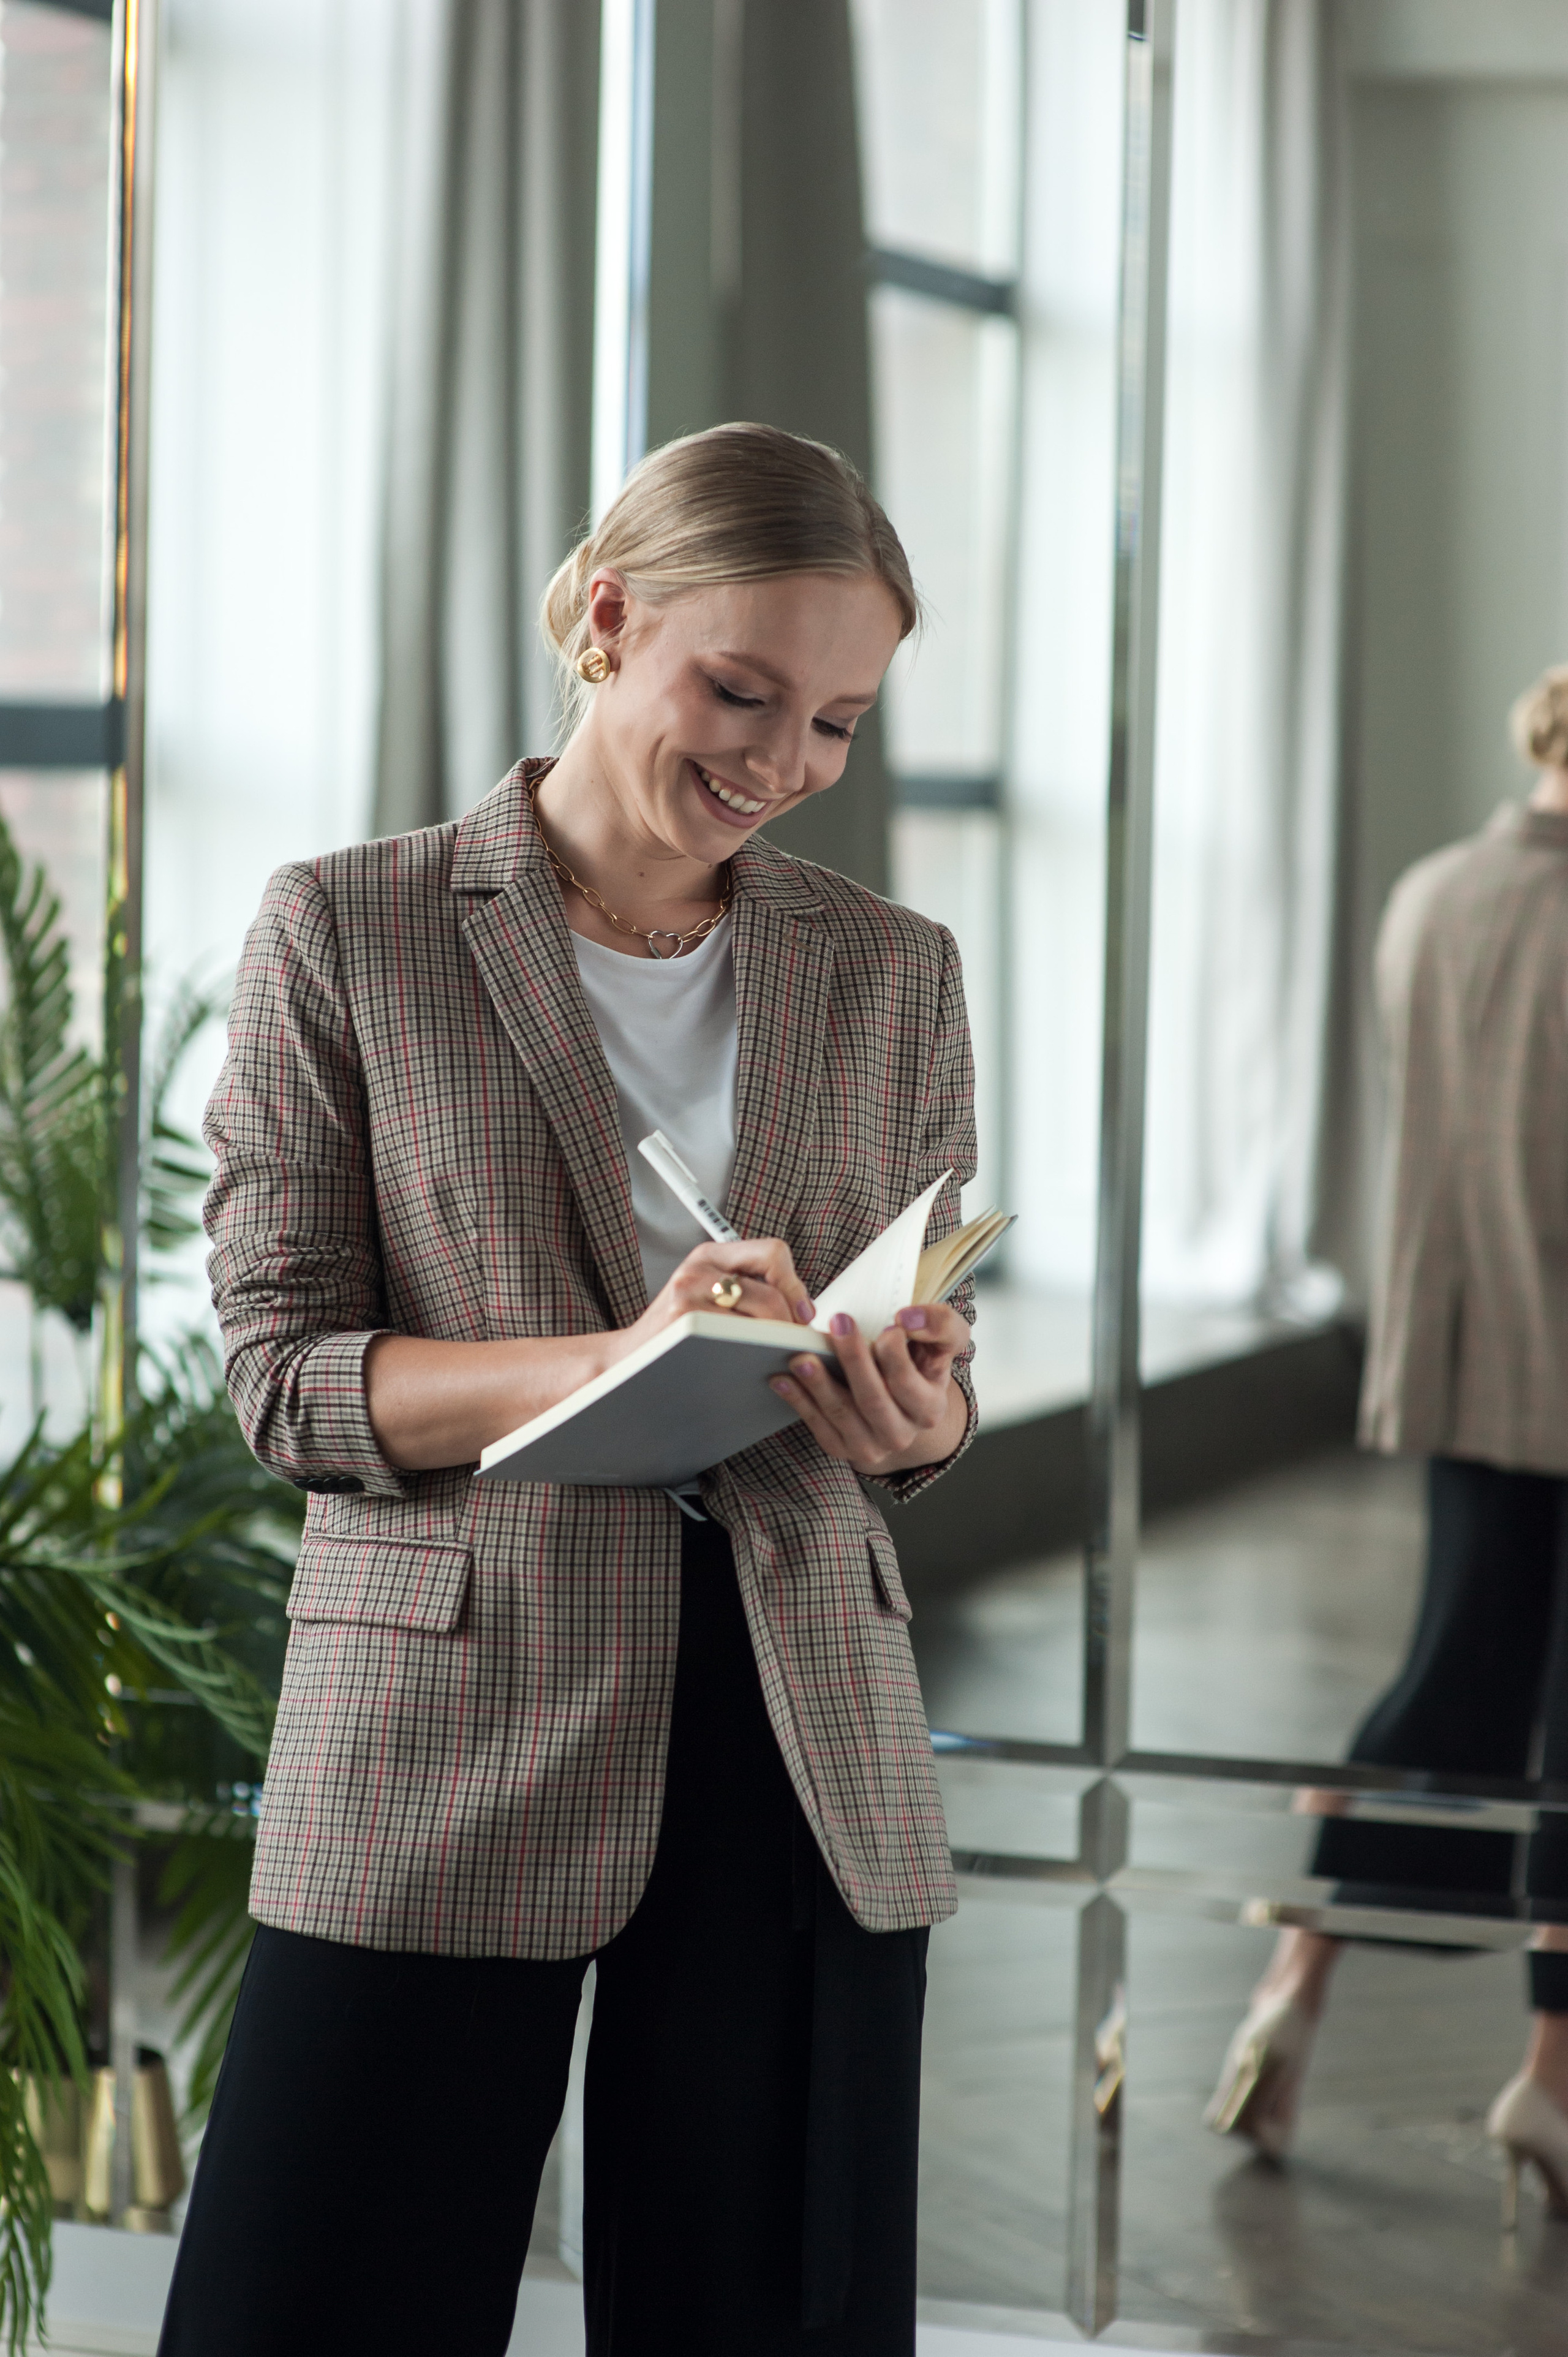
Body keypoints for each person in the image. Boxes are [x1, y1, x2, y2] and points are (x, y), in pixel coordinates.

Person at [157, 424, 979, 2356]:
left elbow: (929, 1370)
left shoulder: (892, 972)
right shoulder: (346, 928)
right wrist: (615, 1365)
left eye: (839, 723)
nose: (783, 766)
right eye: (742, 691)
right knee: (320, 2306)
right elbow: (285, 1379)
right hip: (446, 1710)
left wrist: (914, 1415)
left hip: (798, 1730)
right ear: (610, 621)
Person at [1205, 662, 1568, 2224]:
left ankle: (1290, 1982)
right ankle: (1549, 2086)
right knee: (1547, 1729)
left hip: (1462, 1362)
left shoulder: (1428, 896)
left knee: (1448, 1686)